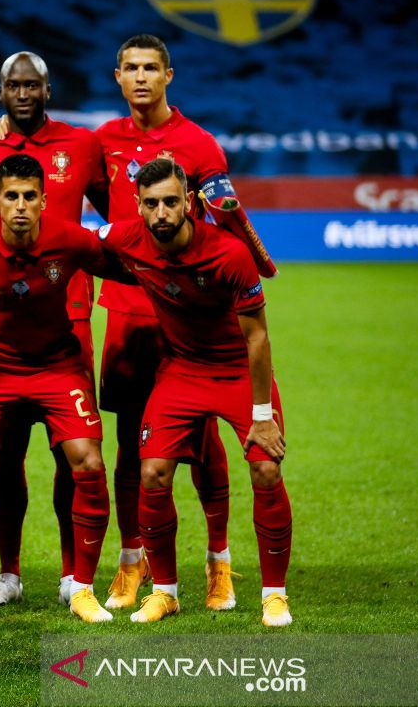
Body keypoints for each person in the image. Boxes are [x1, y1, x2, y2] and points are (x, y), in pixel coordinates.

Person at [96, 159, 292, 627]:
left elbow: (257, 339)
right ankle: (164, 592)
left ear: (188, 202)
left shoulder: (229, 253)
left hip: (237, 372)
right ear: (137, 207)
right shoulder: (127, 239)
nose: (161, 212)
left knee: (265, 469)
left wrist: (263, 415)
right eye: (151, 204)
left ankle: (274, 595)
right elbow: (80, 238)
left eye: (169, 201)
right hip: (181, 371)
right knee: (153, 473)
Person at [0, 153, 127, 623]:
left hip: (56, 366)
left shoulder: (70, 239)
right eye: (10, 196)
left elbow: (125, 267)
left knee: (88, 461)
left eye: (29, 196)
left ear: (44, 200)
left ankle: (82, 588)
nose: (20, 205)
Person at [0, 52, 110, 609]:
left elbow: (114, 215)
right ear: (1, 92)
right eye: (14, 86)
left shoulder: (82, 145)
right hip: (0, 330)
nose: (23, 94)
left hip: (70, 324)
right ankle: (9, 574)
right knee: (5, 454)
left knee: (74, 452)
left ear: (47, 88)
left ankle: (74, 574)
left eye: (33, 85)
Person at [93, 35, 239, 612]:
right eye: (130, 68)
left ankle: (219, 561)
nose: (141, 78)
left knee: (201, 442)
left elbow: (221, 230)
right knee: (132, 445)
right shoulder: (102, 140)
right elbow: (104, 206)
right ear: (118, 75)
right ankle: (133, 562)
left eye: (151, 68)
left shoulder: (198, 144)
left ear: (169, 75)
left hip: (189, 319)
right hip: (128, 311)